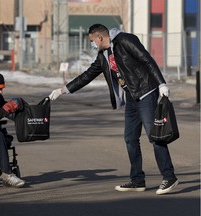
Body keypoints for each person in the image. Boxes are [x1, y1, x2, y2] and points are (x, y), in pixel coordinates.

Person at [49, 24, 178, 195]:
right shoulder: (103, 56)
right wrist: (63, 90)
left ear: (100, 37)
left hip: (146, 92)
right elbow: (87, 75)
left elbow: (146, 59)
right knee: (130, 139)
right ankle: (137, 180)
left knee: (155, 137)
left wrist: (161, 83)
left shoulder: (125, 40)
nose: (92, 45)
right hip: (131, 98)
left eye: (92, 41)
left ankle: (169, 177)